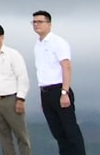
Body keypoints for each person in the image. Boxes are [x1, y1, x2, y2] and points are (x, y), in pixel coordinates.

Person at [32, 11, 86, 155]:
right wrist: (43, 98)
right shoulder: (37, 45)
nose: (36, 24)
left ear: (49, 24)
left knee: (70, 130)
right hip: (45, 91)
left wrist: (64, 92)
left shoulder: (58, 42)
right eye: (34, 22)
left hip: (59, 89)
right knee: (58, 132)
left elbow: (66, 66)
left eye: (40, 21)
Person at [0, 23, 32, 155]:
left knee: (21, 135)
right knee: (3, 137)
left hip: (11, 99)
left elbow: (22, 77)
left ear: (1, 36)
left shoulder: (12, 54)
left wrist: (20, 99)